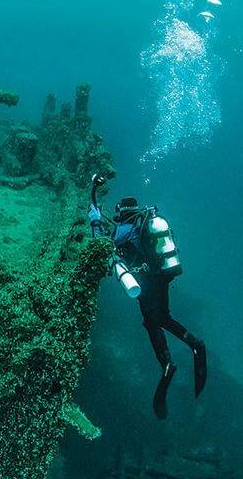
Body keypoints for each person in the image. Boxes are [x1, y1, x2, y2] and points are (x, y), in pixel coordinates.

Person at [89, 174, 207, 419]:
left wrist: (95, 221)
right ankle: (194, 343)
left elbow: (101, 246)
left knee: (151, 321)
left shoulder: (124, 228)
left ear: (121, 210)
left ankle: (167, 364)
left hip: (145, 283)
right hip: (162, 278)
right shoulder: (145, 223)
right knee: (162, 317)